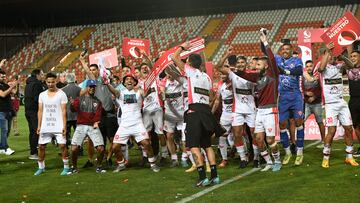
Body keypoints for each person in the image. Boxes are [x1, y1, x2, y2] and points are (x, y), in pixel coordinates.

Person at [171, 42, 222, 187]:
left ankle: (202, 177)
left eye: (186, 61)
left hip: (194, 112)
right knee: (207, 145)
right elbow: (212, 97)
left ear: (189, 63)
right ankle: (215, 176)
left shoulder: (191, 71)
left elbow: (175, 58)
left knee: (193, 146)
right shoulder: (206, 77)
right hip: (206, 111)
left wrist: (182, 47)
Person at [234, 29, 282, 172]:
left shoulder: (273, 73)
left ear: (266, 66)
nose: (256, 65)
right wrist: (234, 68)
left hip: (271, 110)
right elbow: (242, 74)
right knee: (258, 139)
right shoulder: (256, 77)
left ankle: (277, 161)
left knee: (270, 140)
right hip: (260, 111)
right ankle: (268, 162)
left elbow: (271, 58)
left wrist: (265, 41)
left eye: (259, 64)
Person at [216, 49, 259, 169]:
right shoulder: (232, 74)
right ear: (236, 64)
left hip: (251, 109)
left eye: (242, 63)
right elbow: (218, 66)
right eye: (238, 62)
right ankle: (243, 159)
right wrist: (226, 54)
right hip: (237, 109)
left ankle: (255, 157)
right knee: (237, 134)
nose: (240, 64)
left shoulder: (251, 75)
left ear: (246, 64)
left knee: (254, 134)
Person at [319, 44, 359, 168]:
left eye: (332, 54)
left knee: (348, 128)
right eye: (329, 54)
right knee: (331, 130)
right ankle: (326, 157)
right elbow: (321, 68)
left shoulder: (340, 66)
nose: (332, 56)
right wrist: (328, 51)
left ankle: (349, 157)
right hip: (330, 105)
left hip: (341, 103)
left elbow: (352, 66)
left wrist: (341, 55)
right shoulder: (323, 66)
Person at [111, 74, 160, 173]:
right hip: (124, 125)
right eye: (127, 79)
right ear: (124, 83)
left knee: (146, 143)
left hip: (137, 124)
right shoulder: (120, 93)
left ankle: (153, 164)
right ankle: (121, 164)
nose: (129, 81)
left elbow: (145, 93)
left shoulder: (139, 91)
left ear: (134, 82)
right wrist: (107, 84)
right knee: (115, 146)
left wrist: (150, 84)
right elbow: (113, 91)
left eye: (131, 79)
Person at [79, 55, 118, 167]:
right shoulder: (92, 82)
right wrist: (82, 60)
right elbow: (87, 72)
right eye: (90, 70)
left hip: (110, 114)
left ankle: (109, 157)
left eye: (94, 69)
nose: (92, 72)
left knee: (112, 139)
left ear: (99, 70)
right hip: (98, 116)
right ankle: (95, 159)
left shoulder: (106, 80)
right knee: (95, 140)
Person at [275, 39, 305, 166]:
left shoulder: (296, 60)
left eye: (288, 49)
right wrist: (264, 39)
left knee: (298, 122)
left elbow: (299, 72)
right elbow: (268, 53)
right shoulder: (278, 60)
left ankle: (299, 152)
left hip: (296, 95)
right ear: (281, 51)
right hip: (283, 97)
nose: (285, 51)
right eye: (283, 49)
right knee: (282, 125)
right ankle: (287, 152)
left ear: (291, 50)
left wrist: (285, 72)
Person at [34, 72, 70, 176]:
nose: (50, 84)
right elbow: (40, 111)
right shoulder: (42, 95)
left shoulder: (61, 94)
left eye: (52, 82)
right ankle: (41, 167)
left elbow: (64, 111)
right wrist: (39, 125)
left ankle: (66, 167)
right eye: (48, 82)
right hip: (46, 125)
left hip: (58, 124)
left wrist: (64, 125)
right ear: (45, 82)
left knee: (63, 146)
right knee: (41, 146)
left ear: (56, 81)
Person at [69, 79, 106, 174]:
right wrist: (72, 104)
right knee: (74, 149)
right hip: (81, 125)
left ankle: (99, 166)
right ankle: (74, 167)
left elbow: (98, 115)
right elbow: (73, 109)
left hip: (92, 126)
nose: (92, 89)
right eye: (90, 87)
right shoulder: (80, 99)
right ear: (87, 87)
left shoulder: (98, 102)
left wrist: (96, 122)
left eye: (94, 87)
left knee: (101, 149)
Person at [160, 66, 185, 167]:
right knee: (169, 136)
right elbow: (162, 92)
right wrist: (163, 93)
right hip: (169, 114)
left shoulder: (179, 80)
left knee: (184, 136)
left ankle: (184, 157)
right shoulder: (163, 82)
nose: (169, 74)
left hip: (181, 112)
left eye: (171, 71)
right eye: (167, 72)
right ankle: (174, 158)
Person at [211, 71, 233, 168]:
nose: (222, 76)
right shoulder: (220, 85)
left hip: (236, 113)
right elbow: (217, 100)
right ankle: (225, 159)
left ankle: (244, 156)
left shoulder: (234, 84)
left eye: (224, 74)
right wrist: (211, 112)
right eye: (221, 74)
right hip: (225, 115)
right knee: (222, 137)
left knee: (239, 135)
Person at [302, 60, 325, 148]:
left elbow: (321, 89)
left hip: (317, 104)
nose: (309, 68)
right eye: (307, 66)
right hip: (306, 104)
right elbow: (300, 88)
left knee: (320, 122)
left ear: (313, 67)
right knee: (301, 122)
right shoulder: (303, 77)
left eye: (310, 66)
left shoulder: (318, 76)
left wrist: (314, 96)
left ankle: (323, 140)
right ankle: (301, 140)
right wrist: (305, 93)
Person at [25, 69, 46, 160]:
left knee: (32, 131)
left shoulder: (28, 84)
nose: (43, 76)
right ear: (37, 75)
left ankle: (33, 149)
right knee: (36, 131)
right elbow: (37, 98)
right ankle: (34, 152)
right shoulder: (37, 84)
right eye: (42, 74)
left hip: (28, 111)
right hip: (34, 111)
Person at [0, 69, 17, 155]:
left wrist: (15, 85)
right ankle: (6, 148)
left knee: (7, 130)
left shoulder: (4, 84)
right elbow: (2, 94)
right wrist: (11, 87)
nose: (4, 77)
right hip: (1, 111)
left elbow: (14, 92)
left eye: (4, 76)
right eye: (2, 76)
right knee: (4, 130)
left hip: (8, 110)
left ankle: (1, 147)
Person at [61, 73, 81, 149]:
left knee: (66, 133)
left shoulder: (63, 90)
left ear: (66, 79)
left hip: (67, 115)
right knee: (78, 133)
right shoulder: (79, 89)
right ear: (74, 78)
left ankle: (65, 150)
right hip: (77, 115)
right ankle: (79, 149)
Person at [347, 50, 360, 157]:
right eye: (351, 56)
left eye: (355, 56)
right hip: (353, 100)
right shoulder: (348, 69)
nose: (352, 58)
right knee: (356, 125)